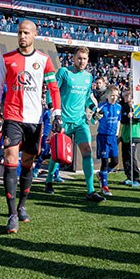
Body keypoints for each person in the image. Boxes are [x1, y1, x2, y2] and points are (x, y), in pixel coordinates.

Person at [0, 20, 62, 233]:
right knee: (11, 158)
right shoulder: (7, 58)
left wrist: (56, 114)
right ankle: (12, 213)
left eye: (26, 33)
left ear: (34, 35)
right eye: (20, 32)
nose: (22, 36)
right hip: (12, 117)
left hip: (35, 120)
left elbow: (54, 89)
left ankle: (22, 205)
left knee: (28, 163)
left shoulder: (44, 60)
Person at [51, 46, 103, 201]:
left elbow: (87, 97)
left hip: (80, 121)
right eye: (79, 58)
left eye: (85, 59)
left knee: (87, 152)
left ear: (88, 60)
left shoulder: (88, 77)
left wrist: (94, 108)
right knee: (58, 154)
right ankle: (49, 181)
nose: (82, 61)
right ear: (74, 58)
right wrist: (54, 112)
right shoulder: (64, 72)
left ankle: (91, 191)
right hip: (64, 120)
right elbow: (52, 91)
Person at [95, 85, 122, 197]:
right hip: (103, 137)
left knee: (115, 161)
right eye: (112, 95)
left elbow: (119, 121)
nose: (114, 98)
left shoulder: (119, 107)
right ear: (107, 95)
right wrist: (96, 117)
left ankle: (101, 175)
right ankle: (104, 186)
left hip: (113, 137)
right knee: (105, 162)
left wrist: (116, 134)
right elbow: (94, 121)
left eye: (116, 95)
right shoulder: (101, 107)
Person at [119, 89, 140, 187]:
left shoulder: (137, 106)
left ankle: (136, 178)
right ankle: (129, 176)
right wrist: (127, 117)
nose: (124, 97)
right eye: (123, 96)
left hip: (134, 134)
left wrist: (134, 113)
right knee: (125, 157)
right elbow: (123, 121)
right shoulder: (123, 107)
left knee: (131, 156)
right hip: (125, 134)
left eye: (126, 96)